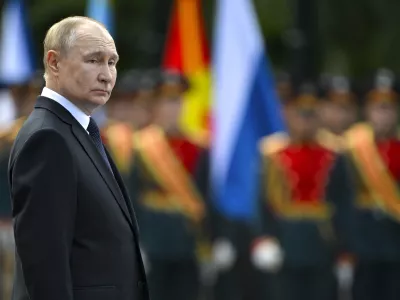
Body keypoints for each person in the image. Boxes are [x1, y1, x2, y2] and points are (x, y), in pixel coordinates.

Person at [8, 16, 148, 300]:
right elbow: (44, 265)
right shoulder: (48, 139)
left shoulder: (77, 131)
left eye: (112, 62)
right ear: (54, 63)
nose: (107, 75)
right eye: (94, 60)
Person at [252, 89, 345, 300]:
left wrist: (345, 249)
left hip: (323, 242)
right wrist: (264, 238)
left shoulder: (334, 152)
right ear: (287, 114)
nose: (305, 122)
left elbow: (342, 202)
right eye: (299, 114)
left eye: (310, 114)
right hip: (285, 242)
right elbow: (262, 200)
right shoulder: (272, 151)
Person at [130, 69, 209, 300]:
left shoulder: (200, 146)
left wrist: (213, 240)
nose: (172, 108)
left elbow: (206, 196)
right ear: (155, 106)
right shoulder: (141, 145)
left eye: (177, 101)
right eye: (166, 101)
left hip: (189, 241)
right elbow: (131, 198)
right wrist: (135, 244)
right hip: (154, 239)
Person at [340, 70, 400, 300]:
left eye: (389, 107)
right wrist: (344, 244)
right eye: (377, 107)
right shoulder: (352, 147)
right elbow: (340, 198)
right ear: (367, 111)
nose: (383, 113)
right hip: (362, 243)